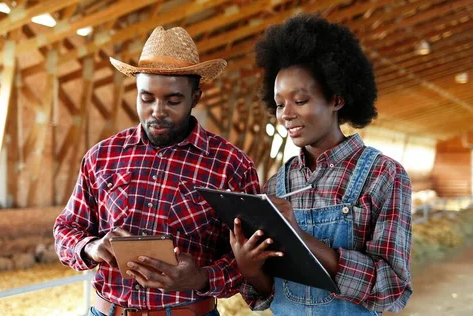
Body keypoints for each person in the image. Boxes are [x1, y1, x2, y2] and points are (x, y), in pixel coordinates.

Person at [53, 26, 261, 316]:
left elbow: (253, 259)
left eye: (173, 100)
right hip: (107, 310)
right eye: (146, 98)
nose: (158, 110)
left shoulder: (230, 165)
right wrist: (91, 247)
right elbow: (65, 229)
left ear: (196, 97)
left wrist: (201, 277)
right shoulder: (102, 156)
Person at [231, 14, 413, 315]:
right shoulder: (278, 184)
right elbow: (265, 295)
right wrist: (249, 269)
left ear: (337, 98)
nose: (285, 114)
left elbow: (391, 289)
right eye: (279, 104)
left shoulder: (383, 175)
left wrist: (299, 239)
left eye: (300, 101)